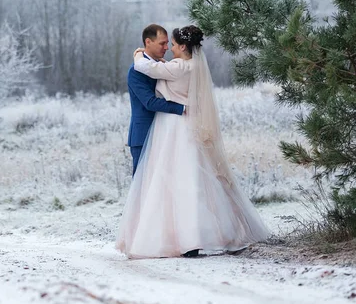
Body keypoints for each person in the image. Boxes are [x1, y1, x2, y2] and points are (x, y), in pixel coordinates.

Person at [116, 25, 270, 258]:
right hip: (172, 127)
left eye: (172, 44)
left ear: (184, 46)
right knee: (182, 181)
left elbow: (146, 67)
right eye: (164, 43)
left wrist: (137, 55)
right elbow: (148, 99)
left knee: (168, 184)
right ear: (148, 42)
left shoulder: (175, 66)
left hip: (173, 129)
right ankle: (184, 236)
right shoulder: (193, 65)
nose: (169, 48)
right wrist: (185, 107)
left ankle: (172, 238)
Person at [127, 24, 185, 176]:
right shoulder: (135, 71)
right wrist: (182, 108)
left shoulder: (162, 66)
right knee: (142, 185)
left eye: (167, 43)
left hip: (166, 133)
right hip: (143, 135)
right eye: (162, 43)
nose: (166, 47)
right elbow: (150, 102)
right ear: (148, 42)